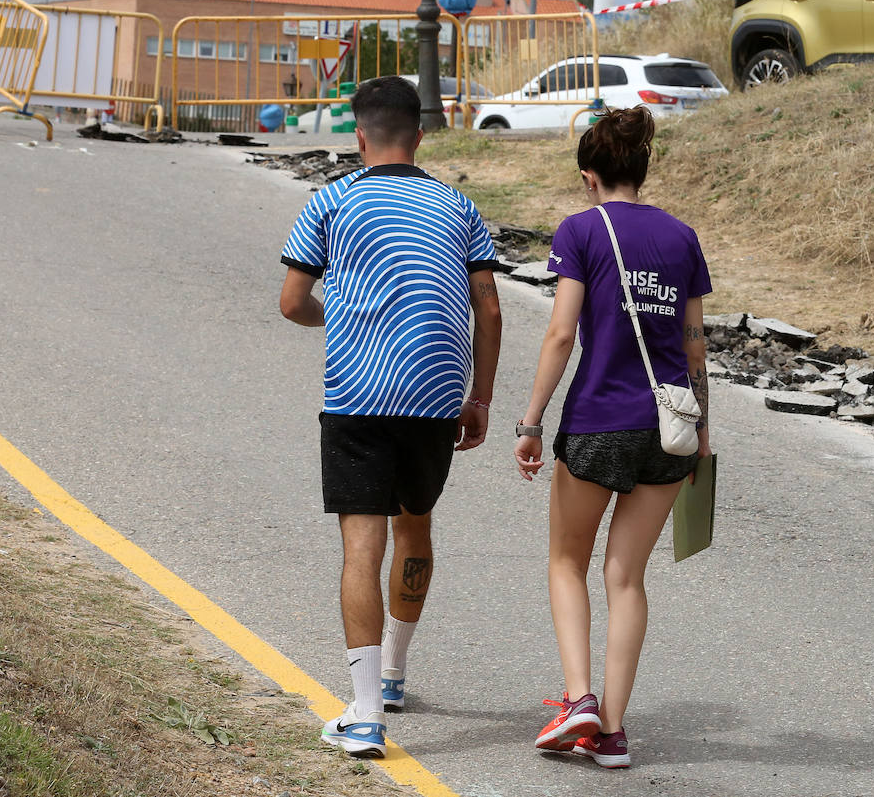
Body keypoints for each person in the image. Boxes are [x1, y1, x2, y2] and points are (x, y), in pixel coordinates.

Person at [279, 76, 502, 759]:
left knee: (360, 548)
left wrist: (338, 316)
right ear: (420, 136)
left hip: (358, 399)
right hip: (435, 397)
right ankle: (398, 672)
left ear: (359, 134)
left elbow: (291, 301)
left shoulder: (333, 200)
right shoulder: (459, 206)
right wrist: (481, 397)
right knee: (416, 525)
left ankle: (366, 712)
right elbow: (489, 310)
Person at [513, 106, 711, 770]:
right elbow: (693, 345)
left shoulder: (581, 230)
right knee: (626, 576)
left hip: (597, 420)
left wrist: (532, 420)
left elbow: (561, 333)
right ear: (642, 167)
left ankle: (579, 701)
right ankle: (614, 733)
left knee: (566, 562)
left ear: (588, 175)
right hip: (667, 429)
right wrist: (702, 432)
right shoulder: (682, 238)